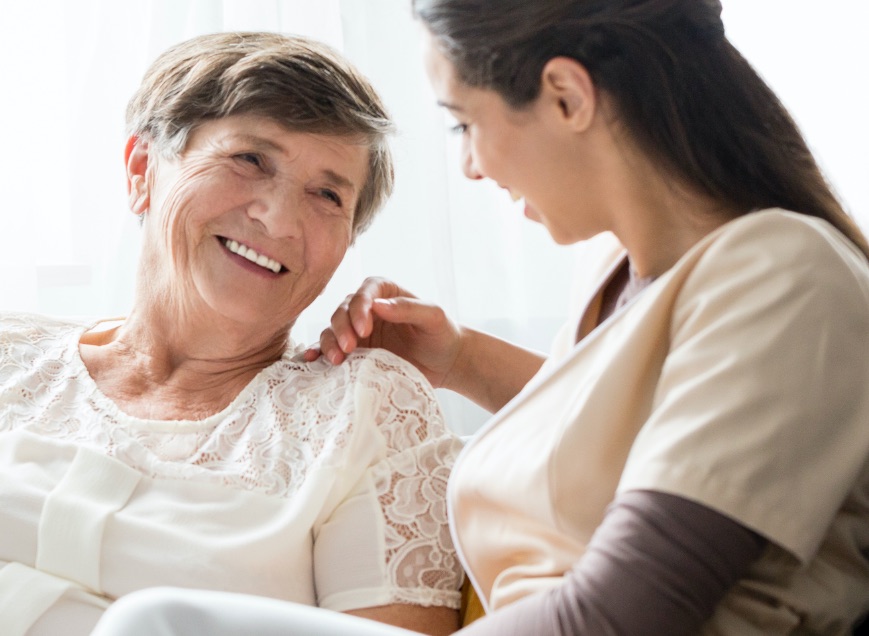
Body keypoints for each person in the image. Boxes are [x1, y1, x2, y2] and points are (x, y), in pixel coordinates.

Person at [90, 1, 869, 634]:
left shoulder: (781, 269)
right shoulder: (620, 271)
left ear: (565, 96)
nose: (469, 165)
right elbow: (629, 443)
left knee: (156, 622)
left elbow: (630, 610)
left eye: (464, 122)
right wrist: (459, 359)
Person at [0, 31, 464, 636]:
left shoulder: (367, 411)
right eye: (249, 160)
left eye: (327, 194)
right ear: (143, 171)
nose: (277, 217)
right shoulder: (11, 355)